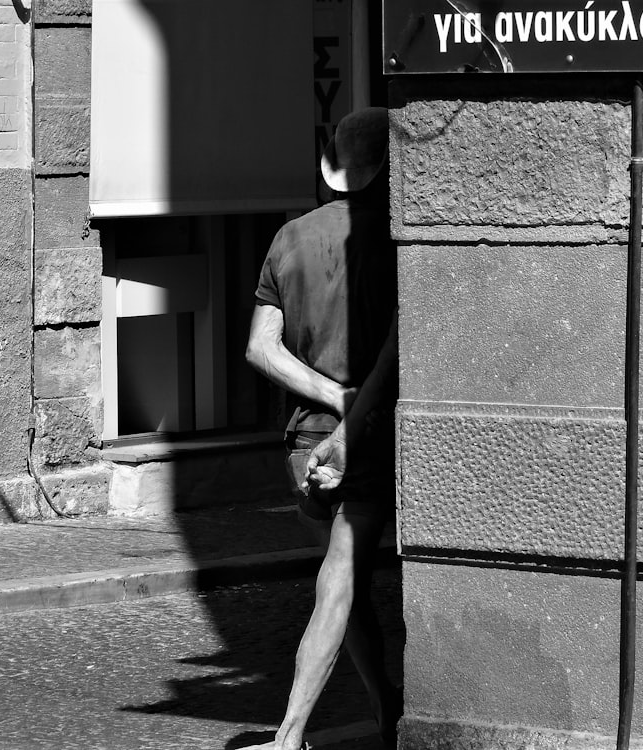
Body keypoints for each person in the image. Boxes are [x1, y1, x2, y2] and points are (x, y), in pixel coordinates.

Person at [242, 107, 401, 750]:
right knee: (340, 579)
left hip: (304, 439)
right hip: (357, 439)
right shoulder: (394, 239)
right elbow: (399, 340)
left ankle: (386, 710)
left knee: (348, 576)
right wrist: (349, 401)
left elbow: (261, 349)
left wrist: (325, 393)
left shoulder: (289, 238)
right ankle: (290, 736)